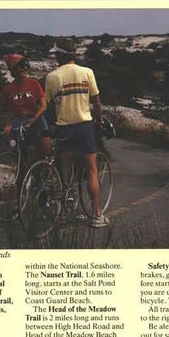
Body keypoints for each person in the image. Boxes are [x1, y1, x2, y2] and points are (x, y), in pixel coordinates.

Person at [45, 38, 108, 228]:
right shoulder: (87, 72)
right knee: (91, 170)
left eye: (56, 53)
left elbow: (49, 107)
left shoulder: (51, 77)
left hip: (64, 128)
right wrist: (99, 120)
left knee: (65, 171)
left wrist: (53, 126)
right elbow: (97, 103)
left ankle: (64, 212)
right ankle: (96, 216)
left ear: (60, 55)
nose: (54, 56)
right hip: (84, 127)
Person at [0, 53, 51, 158]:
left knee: (45, 148)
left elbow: (43, 105)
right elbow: (6, 110)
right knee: (18, 152)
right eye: (21, 67)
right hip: (19, 120)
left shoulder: (34, 83)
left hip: (36, 117)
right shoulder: (8, 89)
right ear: (13, 70)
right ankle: (22, 171)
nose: (24, 69)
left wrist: (33, 120)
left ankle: (46, 169)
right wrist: (8, 124)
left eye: (26, 66)